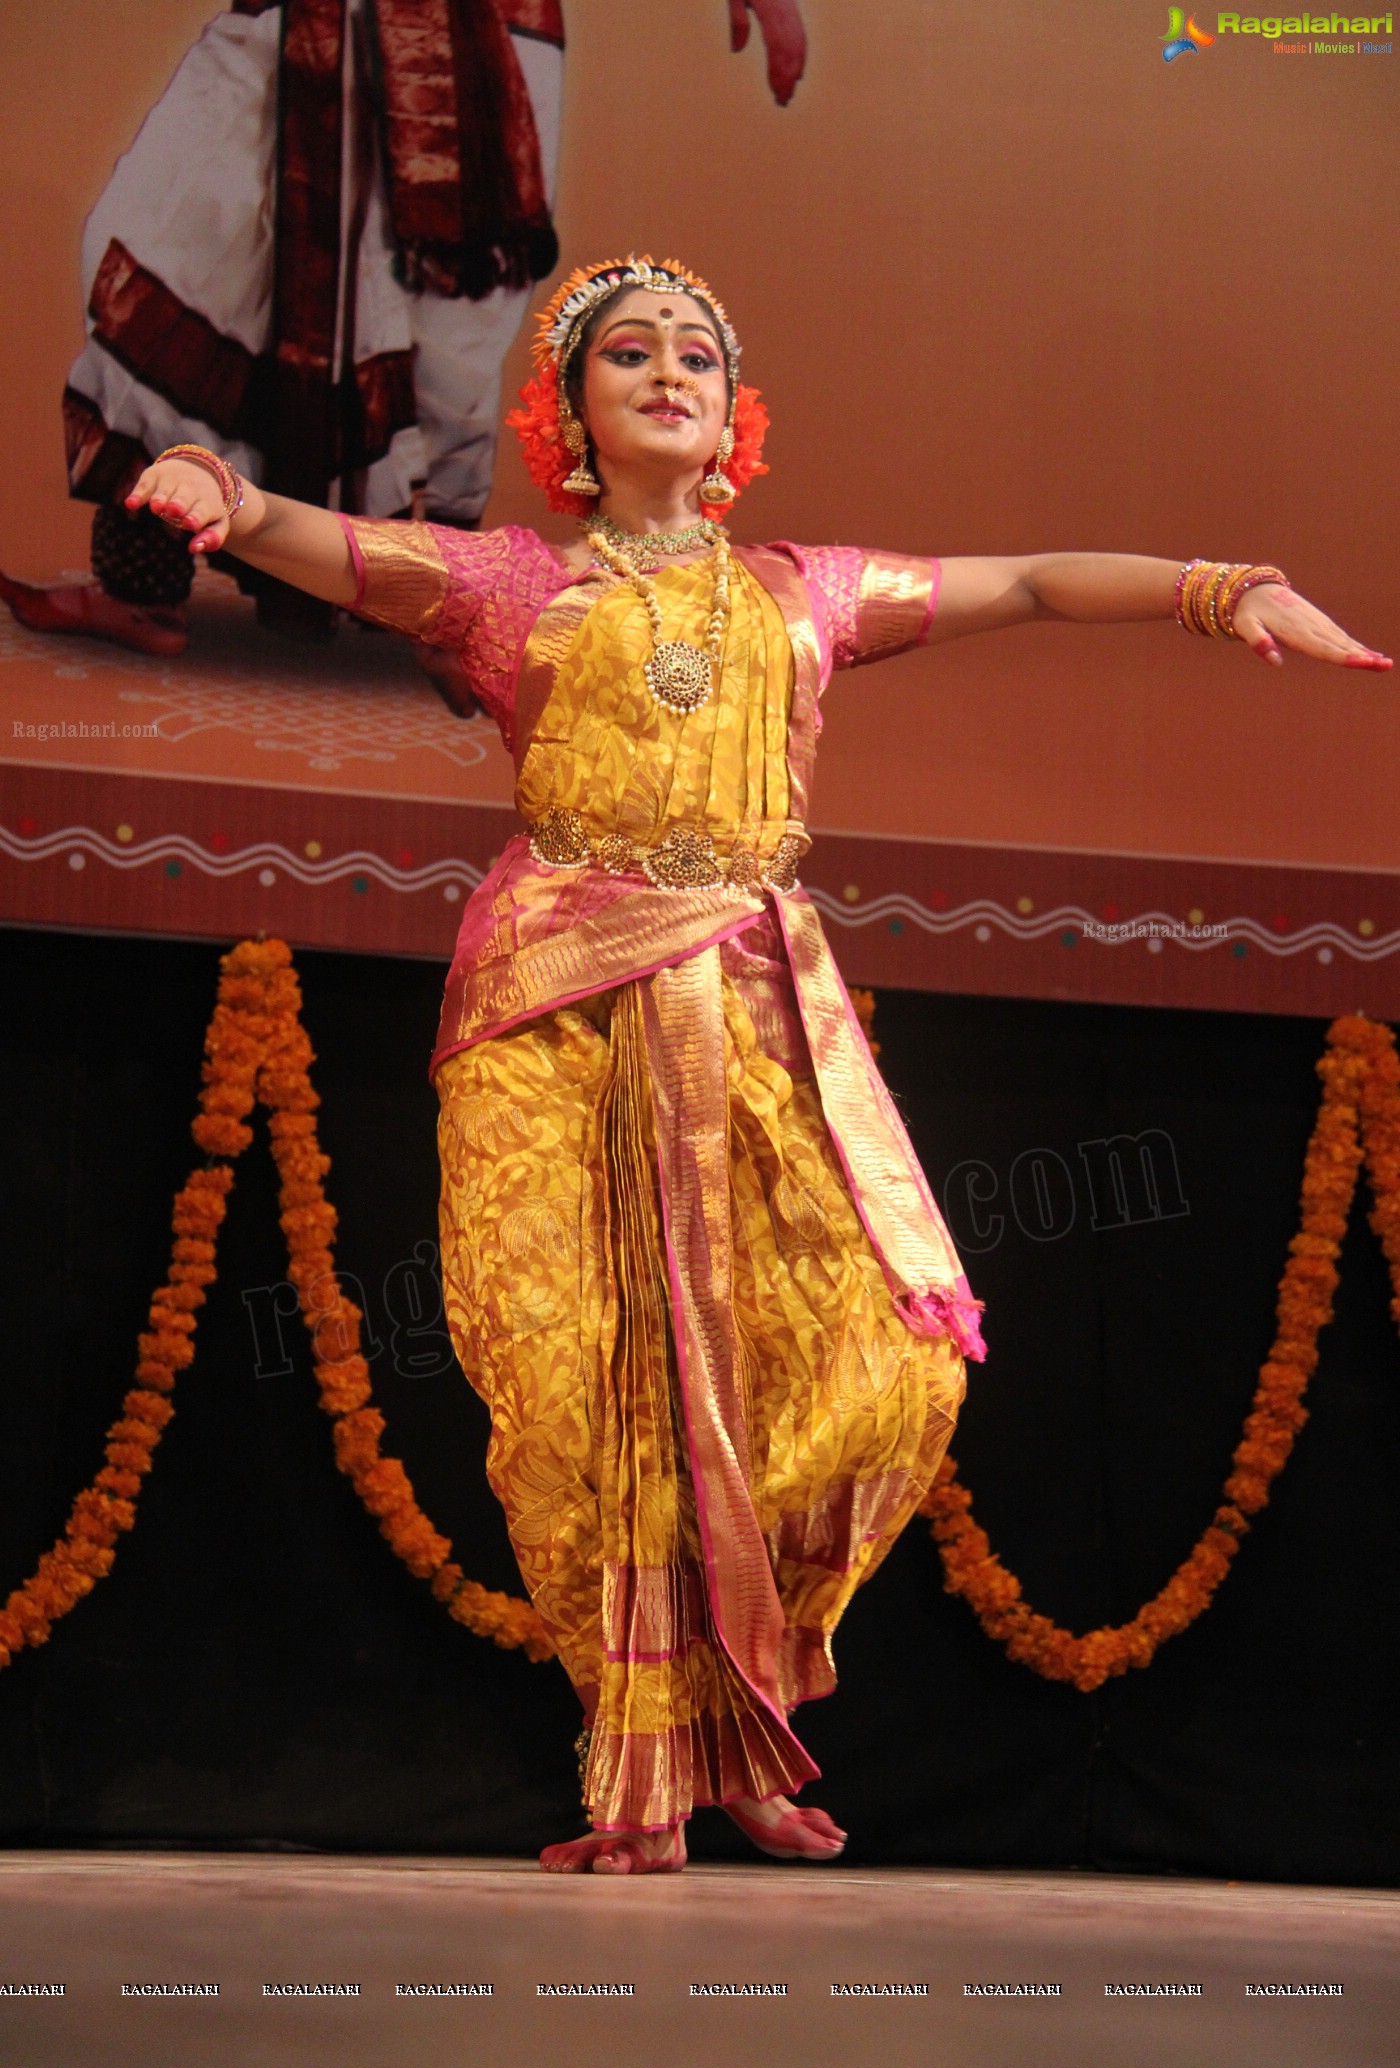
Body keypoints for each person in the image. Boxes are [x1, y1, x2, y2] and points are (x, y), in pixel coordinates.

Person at [120, 255, 1392, 1875]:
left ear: (735, 415)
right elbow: (330, 547)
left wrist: (1221, 588)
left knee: (882, 1365)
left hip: (751, 1017)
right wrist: (210, 487)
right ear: (569, 415)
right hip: (552, 1020)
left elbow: (1034, 585)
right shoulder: (512, 587)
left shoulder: (808, 594)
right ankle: (643, 1780)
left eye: (698, 357)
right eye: (628, 353)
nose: (668, 372)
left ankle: (738, 1714)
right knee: (588, 1397)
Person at [0, 0, 806, 675]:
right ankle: (142, 579)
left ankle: (441, 621)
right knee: (172, 245)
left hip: (476, 39)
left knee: (440, 329)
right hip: (309, 20)